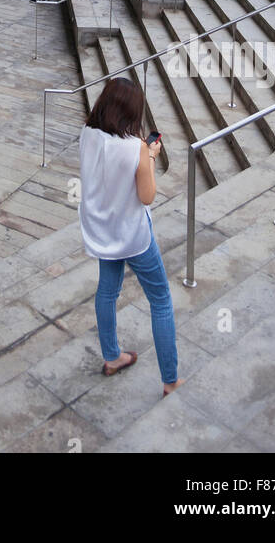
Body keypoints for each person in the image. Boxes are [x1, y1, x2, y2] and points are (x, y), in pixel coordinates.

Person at [79, 76, 182, 397]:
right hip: (133, 235)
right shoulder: (135, 148)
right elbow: (147, 195)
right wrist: (150, 156)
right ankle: (170, 380)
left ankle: (112, 357)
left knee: (107, 292)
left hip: (101, 229)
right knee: (161, 300)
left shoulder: (88, 134)